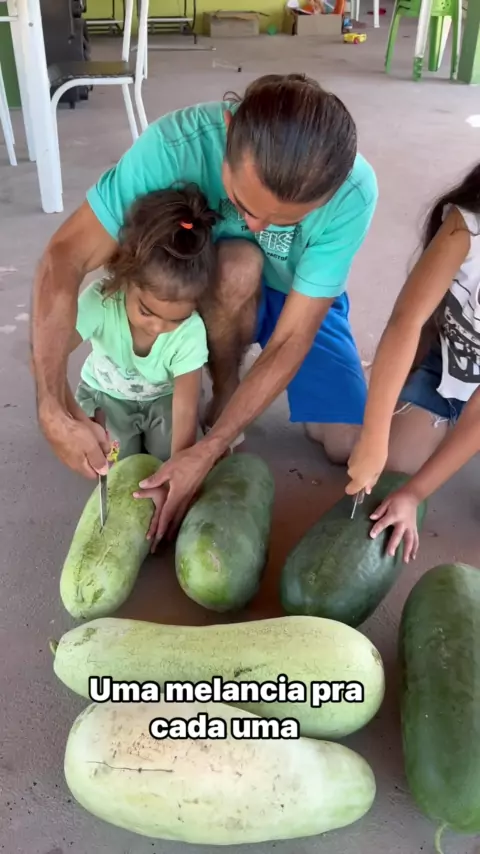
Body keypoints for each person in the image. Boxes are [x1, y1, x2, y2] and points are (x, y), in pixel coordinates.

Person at [31, 73, 378, 548]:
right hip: (204, 282)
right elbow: (63, 257)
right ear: (230, 131)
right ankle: (224, 393)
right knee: (238, 262)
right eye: (243, 204)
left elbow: (292, 338)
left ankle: (229, 415)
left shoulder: (354, 192)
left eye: (285, 220)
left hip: (297, 296)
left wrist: (207, 449)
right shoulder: (171, 148)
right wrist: (50, 403)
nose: (256, 226)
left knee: (344, 444)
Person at [346, 162, 480, 562]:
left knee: (409, 478)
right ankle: (355, 387)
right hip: (448, 363)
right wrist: (374, 438)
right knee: (376, 461)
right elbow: (407, 321)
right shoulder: (467, 227)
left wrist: (415, 494)